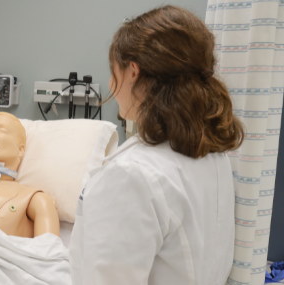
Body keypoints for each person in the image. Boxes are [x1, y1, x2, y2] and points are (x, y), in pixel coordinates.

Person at [69, 5, 244, 285]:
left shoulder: (130, 175)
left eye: (113, 71)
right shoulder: (212, 155)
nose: (112, 84)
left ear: (133, 72)